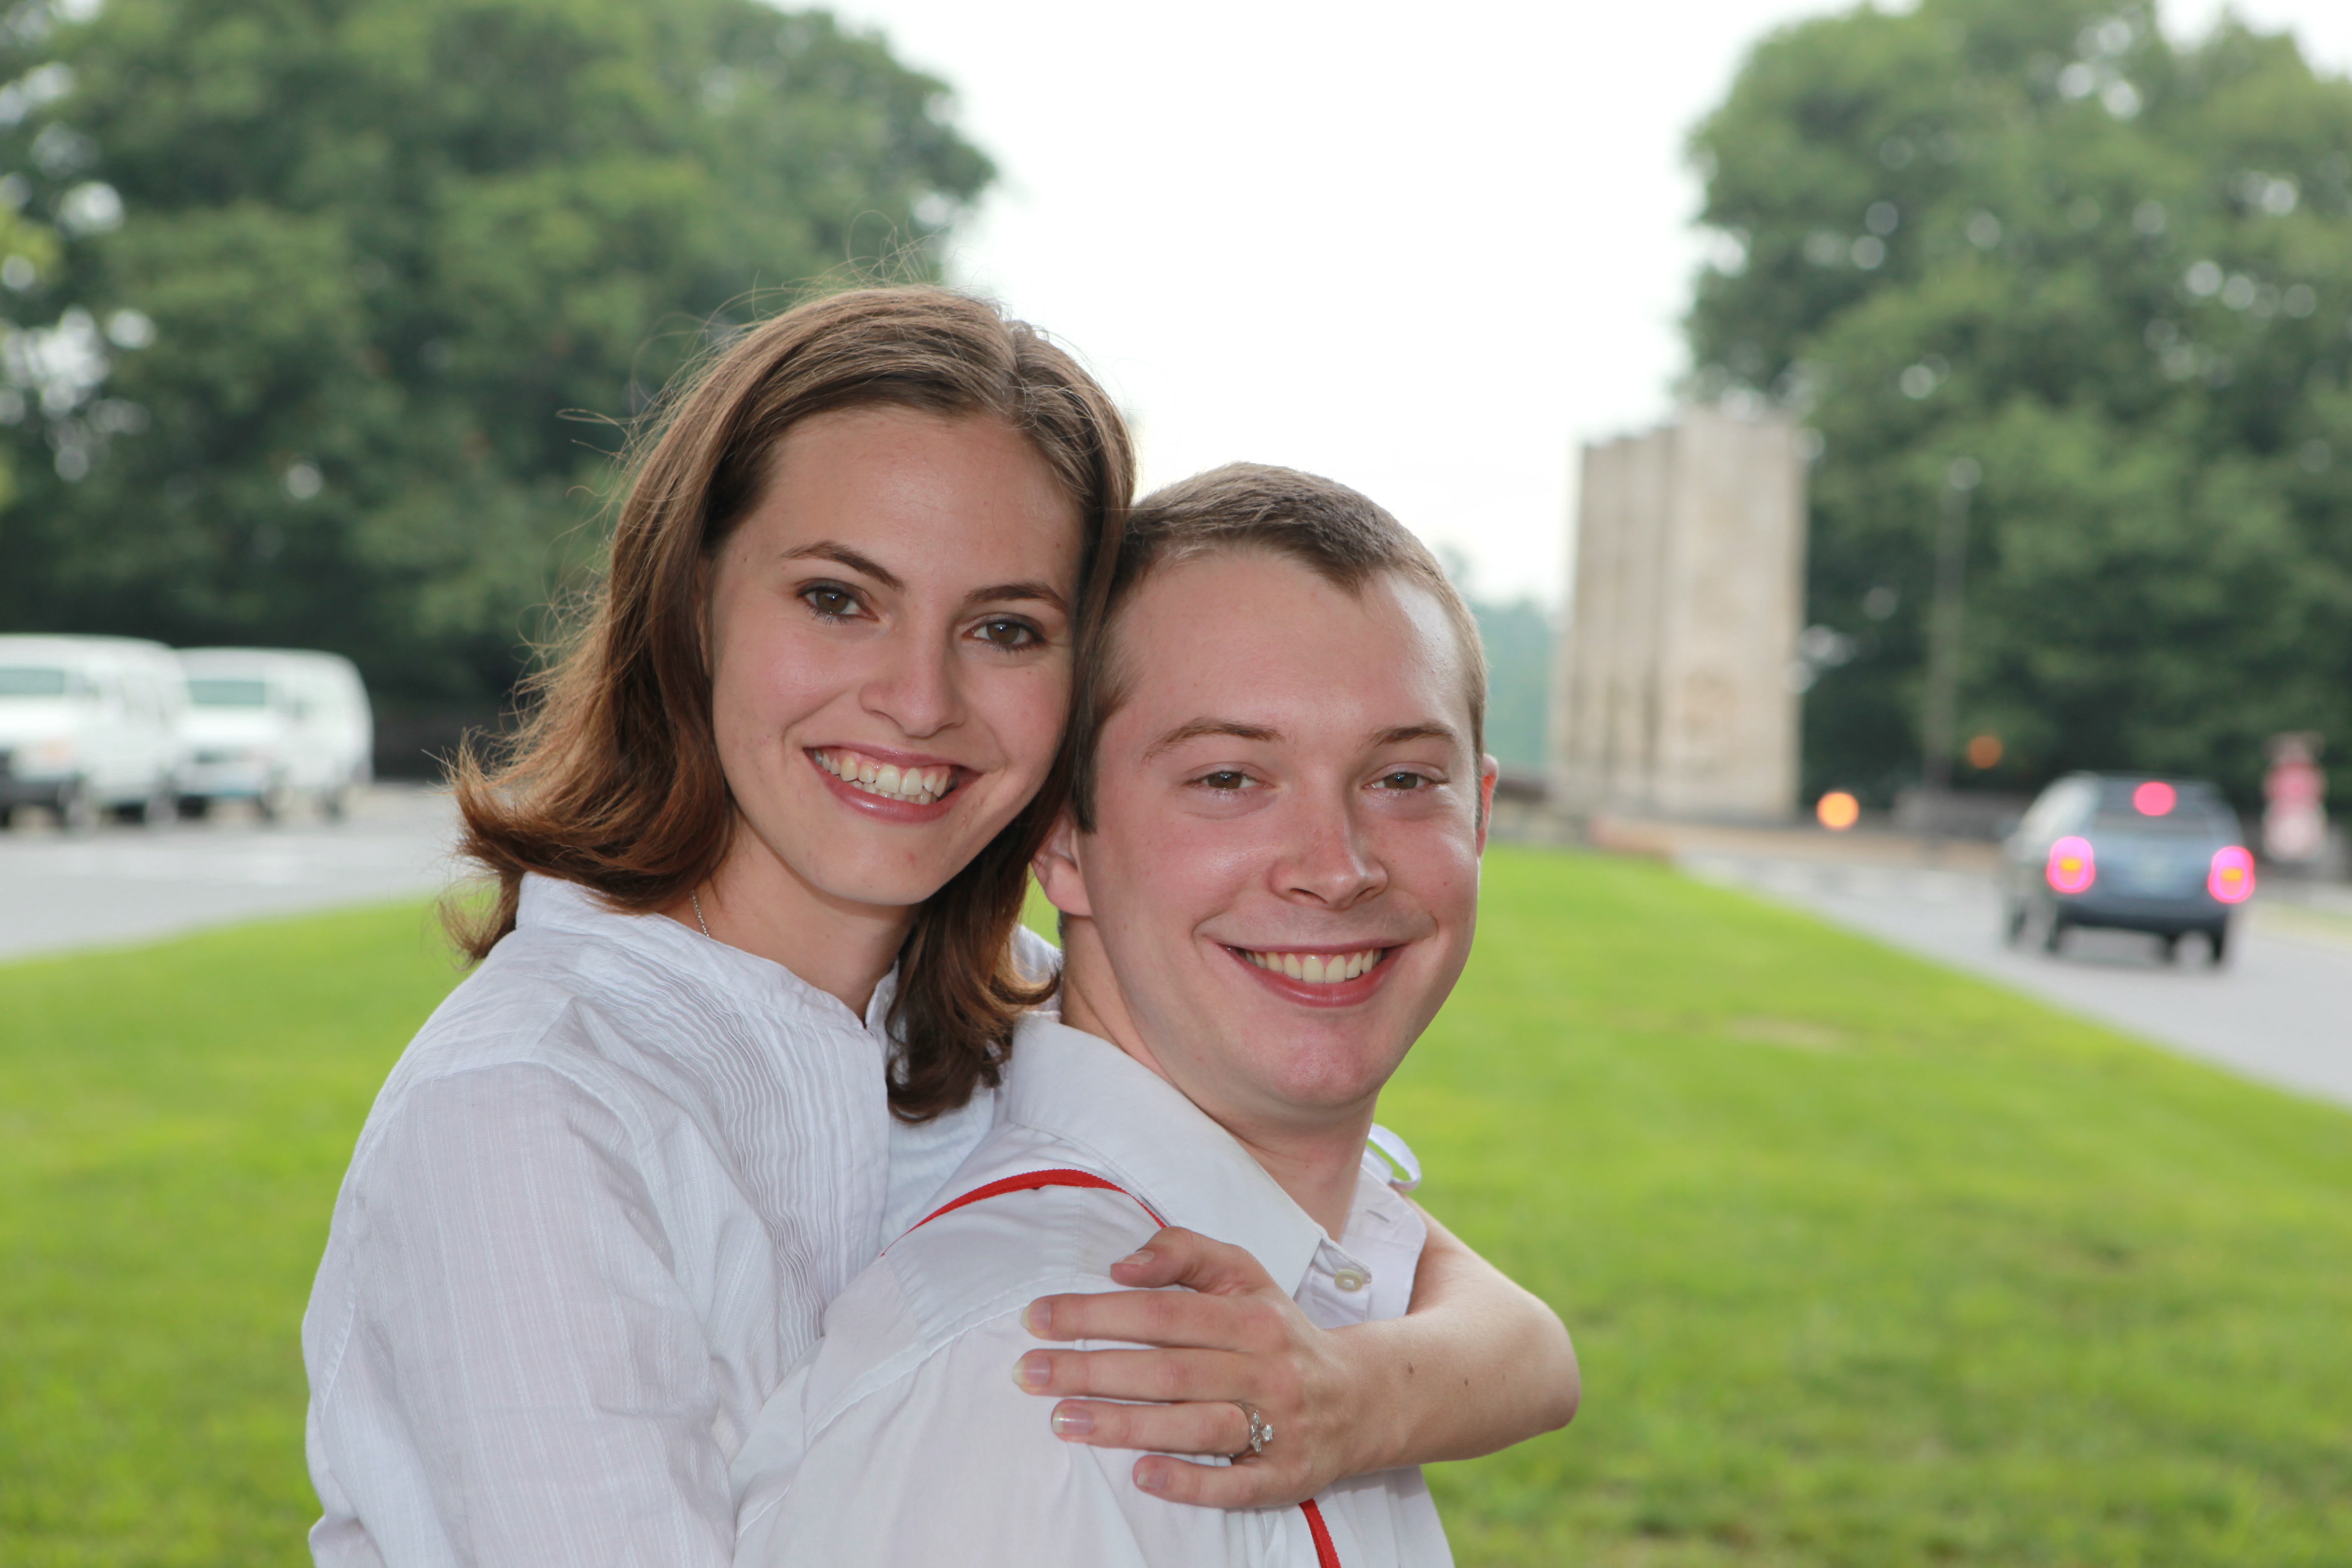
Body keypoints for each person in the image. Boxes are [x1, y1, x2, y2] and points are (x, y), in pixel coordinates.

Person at [302, 289, 1578, 1566]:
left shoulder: (998, 1000)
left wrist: (1360, 1394)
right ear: (693, 603)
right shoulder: (531, 1107)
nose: (919, 700)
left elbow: (1488, 1318)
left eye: (1006, 629)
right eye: (838, 599)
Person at [732, 463, 1522, 1565]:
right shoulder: (1046, 1392)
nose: (1338, 868)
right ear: (1062, 838)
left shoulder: (1310, 1303)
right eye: (1229, 778)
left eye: (1401, 780)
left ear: (1478, 816)